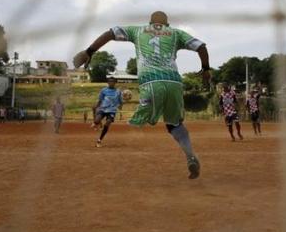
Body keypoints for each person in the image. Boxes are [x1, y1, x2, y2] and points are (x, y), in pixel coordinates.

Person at [73, 11, 210, 179]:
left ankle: (133, 122)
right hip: (174, 83)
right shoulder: (176, 33)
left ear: (150, 22)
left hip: (151, 82)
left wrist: (89, 51)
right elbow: (201, 47)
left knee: (138, 121)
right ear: (166, 24)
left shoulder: (138, 30)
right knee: (174, 124)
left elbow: (110, 33)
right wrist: (205, 69)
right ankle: (190, 156)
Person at [92, 77, 123, 147]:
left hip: (112, 110)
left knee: (107, 124)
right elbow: (100, 100)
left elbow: (120, 101)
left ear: (115, 83)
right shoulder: (104, 90)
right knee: (96, 121)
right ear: (108, 82)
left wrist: (120, 106)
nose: (111, 83)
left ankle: (99, 140)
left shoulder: (118, 91)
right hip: (103, 109)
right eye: (110, 81)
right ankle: (98, 123)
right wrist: (96, 106)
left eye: (113, 82)